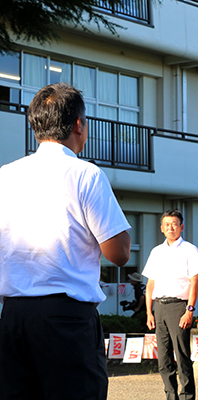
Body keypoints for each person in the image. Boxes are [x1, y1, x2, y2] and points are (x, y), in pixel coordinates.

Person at [0, 83, 131, 399]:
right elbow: (119, 253)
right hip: (66, 318)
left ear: (35, 126)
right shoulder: (86, 174)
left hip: (13, 316)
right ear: (78, 125)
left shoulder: (5, 175)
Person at [143, 210, 198, 400]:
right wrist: (149, 312)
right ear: (161, 228)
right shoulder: (156, 252)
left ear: (181, 227)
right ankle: (170, 395)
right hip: (159, 306)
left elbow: (195, 281)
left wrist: (189, 310)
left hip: (179, 307)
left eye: (174, 223)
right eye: (167, 224)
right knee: (164, 358)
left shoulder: (190, 250)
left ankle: (187, 396)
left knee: (182, 356)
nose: (170, 227)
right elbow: (150, 284)